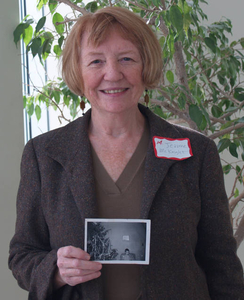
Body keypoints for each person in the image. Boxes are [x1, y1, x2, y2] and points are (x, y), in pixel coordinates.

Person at [8, 6, 244, 300]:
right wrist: (55, 270)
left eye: (126, 59)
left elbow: (222, 265)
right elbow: (22, 255)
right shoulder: (43, 155)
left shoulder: (197, 153)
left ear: (146, 67)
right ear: (78, 73)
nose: (112, 73)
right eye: (96, 61)